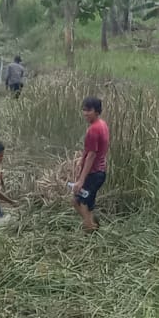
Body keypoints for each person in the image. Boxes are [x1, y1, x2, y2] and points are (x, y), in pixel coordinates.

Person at [72, 97, 109, 233]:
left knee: (83, 204)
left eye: (89, 110)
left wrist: (81, 180)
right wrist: (80, 162)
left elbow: (92, 155)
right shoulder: (102, 125)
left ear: (97, 111)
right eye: (84, 110)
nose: (85, 113)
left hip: (94, 174)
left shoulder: (94, 130)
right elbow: (91, 152)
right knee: (77, 201)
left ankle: (91, 231)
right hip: (99, 172)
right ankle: (92, 224)